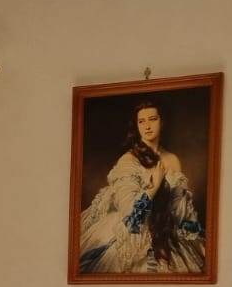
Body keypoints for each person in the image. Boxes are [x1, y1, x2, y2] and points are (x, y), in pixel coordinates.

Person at [77, 100, 206, 274]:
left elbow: (179, 212)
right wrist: (153, 187)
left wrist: (197, 231)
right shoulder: (128, 160)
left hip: (166, 233)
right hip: (135, 232)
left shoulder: (172, 159)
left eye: (152, 119)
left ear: (162, 122)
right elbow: (131, 217)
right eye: (141, 121)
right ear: (136, 126)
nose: (147, 126)